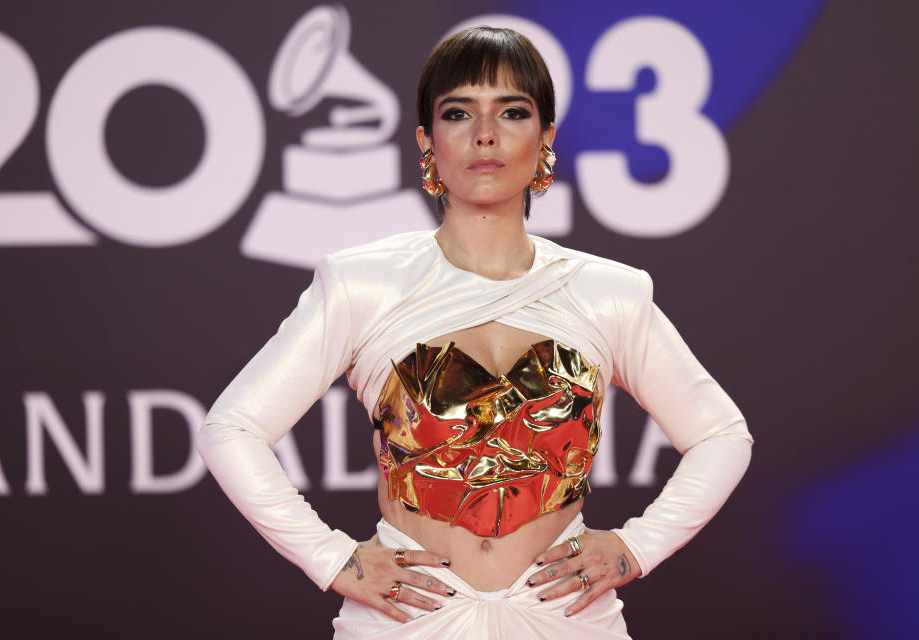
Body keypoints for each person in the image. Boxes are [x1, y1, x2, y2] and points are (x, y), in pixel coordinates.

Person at [197, 26, 752, 639]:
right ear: (427, 141)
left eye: (512, 111)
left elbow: (722, 435)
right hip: (409, 620)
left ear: (546, 139)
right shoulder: (363, 285)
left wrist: (635, 547)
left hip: (567, 621)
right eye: (458, 112)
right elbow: (231, 429)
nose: (484, 134)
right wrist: (334, 560)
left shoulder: (606, 291)